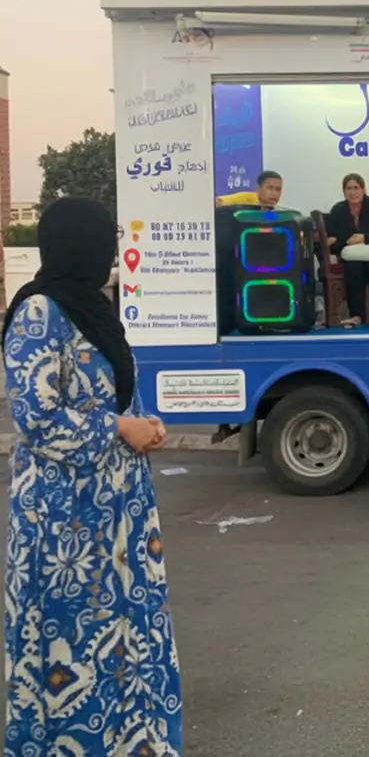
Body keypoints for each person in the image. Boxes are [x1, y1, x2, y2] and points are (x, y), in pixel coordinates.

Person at [4, 197, 182, 754]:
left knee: (127, 626)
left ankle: (131, 740)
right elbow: (35, 418)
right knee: (71, 632)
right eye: (105, 240)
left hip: (119, 503)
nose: (112, 252)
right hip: (63, 515)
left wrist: (145, 423)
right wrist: (118, 428)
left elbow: (116, 388)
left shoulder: (95, 307)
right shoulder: (38, 312)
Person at [327, 173, 369, 327]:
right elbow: (333, 239)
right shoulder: (338, 210)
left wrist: (365, 238)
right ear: (344, 191)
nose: (353, 192)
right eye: (349, 188)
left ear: (363, 189)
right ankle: (356, 315)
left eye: (356, 188)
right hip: (351, 255)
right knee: (353, 267)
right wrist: (346, 242)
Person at [216, 168, 283, 208]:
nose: (274, 193)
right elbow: (218, 202)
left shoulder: (279, 213)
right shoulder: (246, 200)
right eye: (270, 188)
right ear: (258, 188)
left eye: (278, 189)